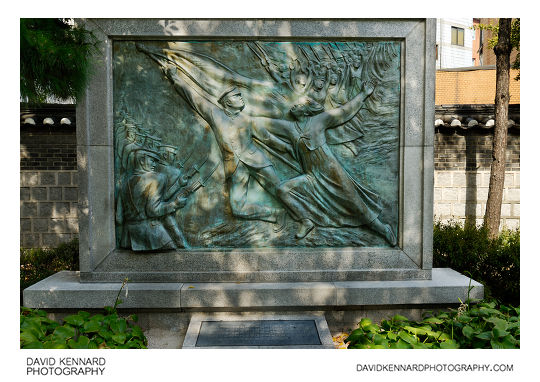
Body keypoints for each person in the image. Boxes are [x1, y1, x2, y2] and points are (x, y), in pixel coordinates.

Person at [252, 79, 397, 245]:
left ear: (306, 110)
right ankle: (305, 221)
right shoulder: (289, 128)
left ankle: (383, 229)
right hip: (311, 177)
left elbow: (344, 112)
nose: (294, 106)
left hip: (332, 173)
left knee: (355, 205)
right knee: (282, 190)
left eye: (298, 104)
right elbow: (263, 123)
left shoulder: (319, 120)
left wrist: (363, 94)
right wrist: (250, 122)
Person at [165, 67, 293, 224]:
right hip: (235, 166)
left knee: (280, 189)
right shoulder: (215, 114)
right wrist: (175, 78)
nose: (241, 98)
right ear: (226, 102)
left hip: (257, 161)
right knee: (237, 208)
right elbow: (194, 98)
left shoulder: (247, 119)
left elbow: (268, 138)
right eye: (236, 96)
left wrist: (286, 147)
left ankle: (305, 218)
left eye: (240, 95)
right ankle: (275, 215)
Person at [119, 148, 190, 250]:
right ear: (142, 160)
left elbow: (119, 218)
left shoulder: (125, 183)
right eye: (151, 160)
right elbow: (153, 210)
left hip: (128, 237)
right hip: (151, 234)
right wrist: (174, 204)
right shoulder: (156, 178)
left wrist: (178, 184)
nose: (155, 164)